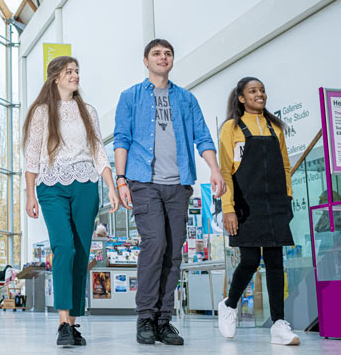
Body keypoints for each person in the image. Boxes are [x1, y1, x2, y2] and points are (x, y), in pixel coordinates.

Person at [113, 39, 226, 346]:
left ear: (172, 60)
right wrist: (121, 179)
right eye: (156, 54)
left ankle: (164, 320)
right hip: (143, 181)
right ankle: (145, 317)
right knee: (155, 244)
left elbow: (202, 136)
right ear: (145, 61)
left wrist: (214, 169)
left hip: (178, 183)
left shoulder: (186, 99)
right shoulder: (130, 97)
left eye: (167, 54)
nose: (163, 58)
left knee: (174, 251)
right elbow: (121, 138)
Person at [24, 56, 121, 347]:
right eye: (69, 72)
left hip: (86, 185)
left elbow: (99, 151)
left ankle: (73, 324)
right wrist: (30, 194)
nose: (75, 75)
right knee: (63, 246)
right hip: (50, 186)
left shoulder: (87, 111)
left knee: (80, 251)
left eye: (77, 71)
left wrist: (111, 186)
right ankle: (62, 322)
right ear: (56, 78)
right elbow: (31, 157)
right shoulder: (42, 112)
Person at [216, 77, 300, 345]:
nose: (260, 94)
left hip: (275, 203)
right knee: (250, 260)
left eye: (262, 90)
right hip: (244, 204)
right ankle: (229, 305)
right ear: (241, 97)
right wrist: (228, 209)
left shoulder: (275, 127)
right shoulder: (231, 128)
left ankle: (279, 324)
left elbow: (285, 167)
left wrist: (287, 199)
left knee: (276, 263)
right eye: (253, 91)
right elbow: (226, 173)